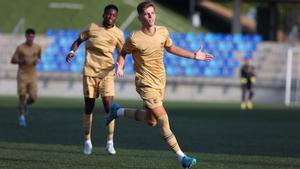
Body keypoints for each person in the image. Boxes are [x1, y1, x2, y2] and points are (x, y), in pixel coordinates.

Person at [105, 1, 213, 168]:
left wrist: (193, 55)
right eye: (147, 14)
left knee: (152, 121)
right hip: (145, 84)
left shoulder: (163, 32)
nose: (150, 16)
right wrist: (119, 65)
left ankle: (117, 111)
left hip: (160, 82)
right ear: (140, 17)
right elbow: (123, 53)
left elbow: (171, 48)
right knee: (163, 118)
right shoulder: (134, 38)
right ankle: (182, 157)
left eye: (152, 13)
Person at [66, 4, 124, 155]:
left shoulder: (118, 33)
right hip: (90, 72)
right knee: (89, 107)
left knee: (109, 107)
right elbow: (78, 40)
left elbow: (122, 52)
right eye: (108, 14)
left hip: (107, 74)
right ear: (103, 14)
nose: (110, 17)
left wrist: (120, 66)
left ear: (116, 17)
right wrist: (72, 51)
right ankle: (87, 140)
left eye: (113, 15)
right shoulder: (92, 27)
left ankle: (110, 142)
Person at [11, 28, 42, 127]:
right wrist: (21, 61)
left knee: (33, 97)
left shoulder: (37, 47)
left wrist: (37, 61)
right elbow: (13, 60)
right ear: (26, 36)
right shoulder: (20, 48)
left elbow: (39, 57)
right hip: (22, 75)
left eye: (32, 36)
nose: (30, 38)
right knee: (22, 96)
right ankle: (21, 118)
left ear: (34, 37)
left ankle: (26, 105)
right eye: (29, 36)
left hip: (32, 75)